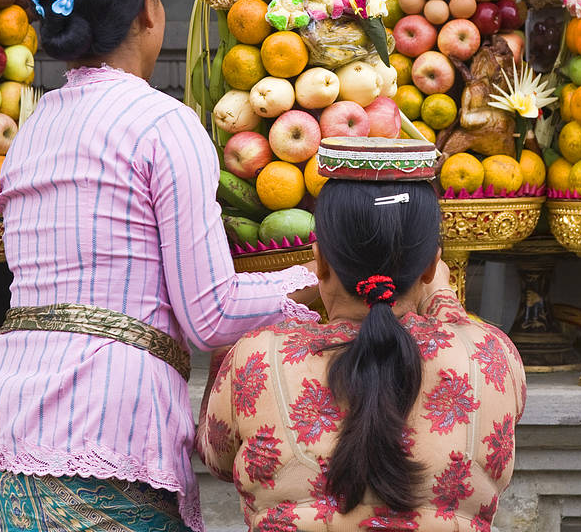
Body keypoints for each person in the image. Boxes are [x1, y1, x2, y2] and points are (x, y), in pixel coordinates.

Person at [0, 0, 318, 531]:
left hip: (1, 430)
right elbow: (212, 314)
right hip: (106, 431)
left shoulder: (33, 128)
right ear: (148, 10)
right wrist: (315, 281)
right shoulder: (162, 123)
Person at [196, 177, 526, 530]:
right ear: (430, 268)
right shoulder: (492, 355)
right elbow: (461, 334)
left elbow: (216, 456)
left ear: (319, 263)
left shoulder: (257, 357)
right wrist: (443, 296)